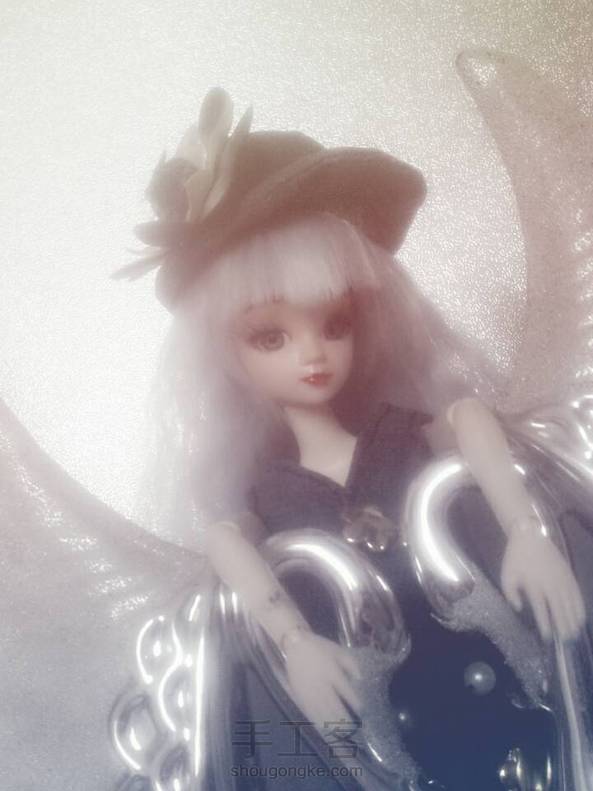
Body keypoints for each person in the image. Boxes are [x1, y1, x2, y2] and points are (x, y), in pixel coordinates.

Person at [117, 87, 587, 789]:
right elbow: (224, 540)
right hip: (388, 727)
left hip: (498, 682)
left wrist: (525, 530)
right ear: (226, 355)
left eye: (333, 324)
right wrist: (293, 641)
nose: (312, 354)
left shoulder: (399, 435)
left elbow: (470, 418)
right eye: (270, 336)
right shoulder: (270, 492)